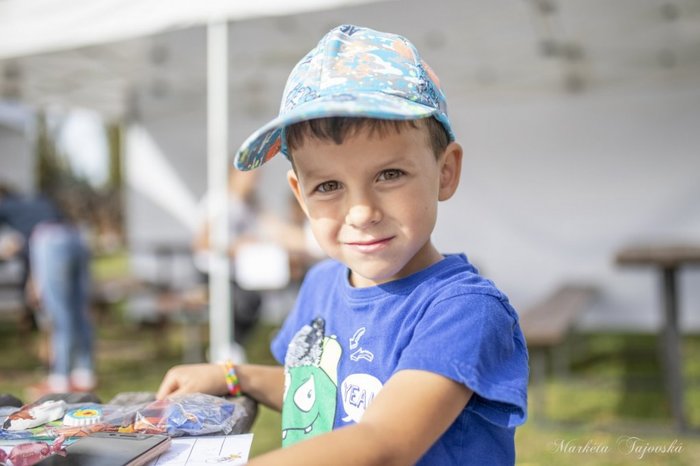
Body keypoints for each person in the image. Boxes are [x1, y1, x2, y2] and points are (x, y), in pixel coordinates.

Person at [157, 25, 528, 465]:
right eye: (329, 185)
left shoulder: (463, 310)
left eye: (389, 174)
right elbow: (315, 391)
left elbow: (383, 443)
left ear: (445, 172)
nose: (361, 212)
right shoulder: (320, 284)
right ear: (300, 196)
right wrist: (234, 376)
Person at [0, 183, 95, 395]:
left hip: (50, 243)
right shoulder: (35, 201)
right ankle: (85, 373)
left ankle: (60, 378)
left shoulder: (5, 206)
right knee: (79, 309)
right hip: (76, 237)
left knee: (59, 313)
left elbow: (32, 244)